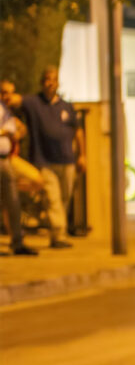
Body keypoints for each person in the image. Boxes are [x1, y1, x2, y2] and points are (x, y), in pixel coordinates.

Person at [21, 67, 80, 244]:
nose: (50, 83)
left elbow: (78, 131)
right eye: (47, 79)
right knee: (53, 198)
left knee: (64, 198)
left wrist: (82, 155)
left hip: (67, 160)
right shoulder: (33, 103)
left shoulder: (66, 106)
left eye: (53, 79)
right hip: (44, 160)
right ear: (42, 82)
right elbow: (15, 101)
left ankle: (56, 233)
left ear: (58, 82)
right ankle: (59, 234)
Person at [0, 81, 34, 255]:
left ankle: (17, 242)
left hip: (6, 160)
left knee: (12, 201)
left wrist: (18, 132)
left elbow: (17, 130)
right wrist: (5, 132)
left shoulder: (7, 112)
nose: (8, 96)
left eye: (11, 93)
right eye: (5, 92)